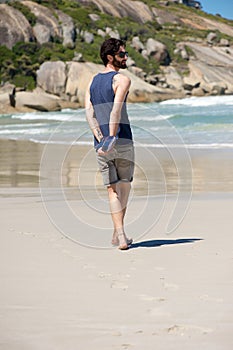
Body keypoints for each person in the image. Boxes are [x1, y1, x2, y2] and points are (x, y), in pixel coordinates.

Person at [85, 38, 134, 250]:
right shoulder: (121, 80)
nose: (125, 57)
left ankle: (119, 235)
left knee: (111, 191)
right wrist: (112, 137)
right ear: (110, 57)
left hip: (100, 145)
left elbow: (89, 112)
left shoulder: (92, 82)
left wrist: (100, 138)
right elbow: (115, 110)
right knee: (124, 187)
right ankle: (120, 235)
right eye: (122, 54)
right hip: (121, 140)